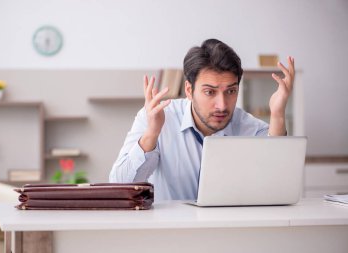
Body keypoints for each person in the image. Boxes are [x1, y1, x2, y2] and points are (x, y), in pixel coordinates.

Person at [109, 38, 295, 201]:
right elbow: (119, 186)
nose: (222, 105)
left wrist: (278, 114)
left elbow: (278, 182)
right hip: (169, 234)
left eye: (231, 91)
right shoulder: (156, 116)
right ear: (189, 90)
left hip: (230, 233)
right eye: (209, 92)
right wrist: (152, 133)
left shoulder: (250, 127)